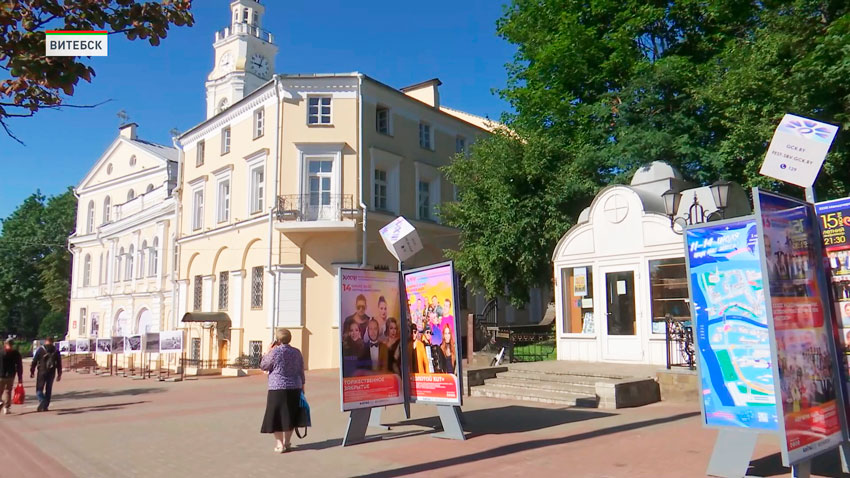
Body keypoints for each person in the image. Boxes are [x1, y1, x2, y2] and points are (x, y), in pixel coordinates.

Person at [260, 328, 305, 454]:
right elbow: (301, 371)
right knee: (290, 415)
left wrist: (267, 352)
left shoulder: (275, 352)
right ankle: (287, 442)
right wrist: (303, 387)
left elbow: (264, 365)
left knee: (277, 416)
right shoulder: (297, 352)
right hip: (295, 387)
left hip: (277, 388)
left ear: (278, 340)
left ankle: (280, 445)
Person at [30, 336, 61, 412]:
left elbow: (34, 361)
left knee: (39, 389)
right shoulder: (56, 351)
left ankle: (42, 400)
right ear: (53, 341)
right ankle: (45, 406)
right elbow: (59, 364)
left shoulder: (41, 350)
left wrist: (32, 371)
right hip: (51, 372)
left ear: (45, 341)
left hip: (42, 371)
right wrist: (59, 374)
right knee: (48, 389)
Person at [0, 338, 23, 414]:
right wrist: (20, 378)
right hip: (11, 375)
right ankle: (6, 407)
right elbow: (19, 366)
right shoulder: (16, 353)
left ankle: (1, 402)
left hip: (1, 375)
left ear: (5, 344)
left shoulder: (1, 352)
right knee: (8, 391)